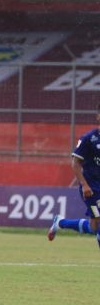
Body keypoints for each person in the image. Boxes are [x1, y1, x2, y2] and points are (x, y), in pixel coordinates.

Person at [48, 104, 100, 244]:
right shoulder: (89, 139)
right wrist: (84, 185)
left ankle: (61, 223)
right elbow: (75, 163)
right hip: (92, 188)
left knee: (94, 227)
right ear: (98, 116)